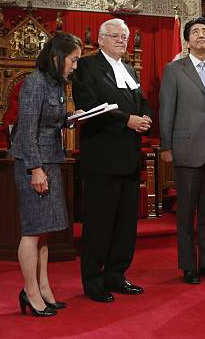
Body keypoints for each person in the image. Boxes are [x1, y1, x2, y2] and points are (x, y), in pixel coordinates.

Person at [72, 18, 152, 303]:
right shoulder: (86, 66)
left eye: (125, 36)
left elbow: (141, 101)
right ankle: (93, 279)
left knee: (125, 223)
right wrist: (126, 121)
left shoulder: (129, 68)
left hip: (129, 157)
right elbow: (89, 105)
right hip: (102, 156)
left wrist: (145, 118)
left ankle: (116, 274)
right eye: (115, 36)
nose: (122, 40)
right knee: (99, 223)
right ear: (101, 40)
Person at [10, 32, 83, 317]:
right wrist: (35, 169)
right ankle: (29, 292)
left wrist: (74, 118)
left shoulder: (56, 85)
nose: (75, 66)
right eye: (73, 60)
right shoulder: (35, 83)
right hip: (35, 164)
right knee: (32, 231)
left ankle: (43, 288)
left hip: (51, 160)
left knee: (45, 232)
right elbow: (27, 130)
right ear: (56, 57)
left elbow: (52, 121)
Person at [159, 17, 205, 285]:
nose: (201, 35)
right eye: (196, 32)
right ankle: (188, 266)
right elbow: (167, 110)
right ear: (187, 41)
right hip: (186, 148)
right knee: (186, 212)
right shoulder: (174, 70)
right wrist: (167, 146)